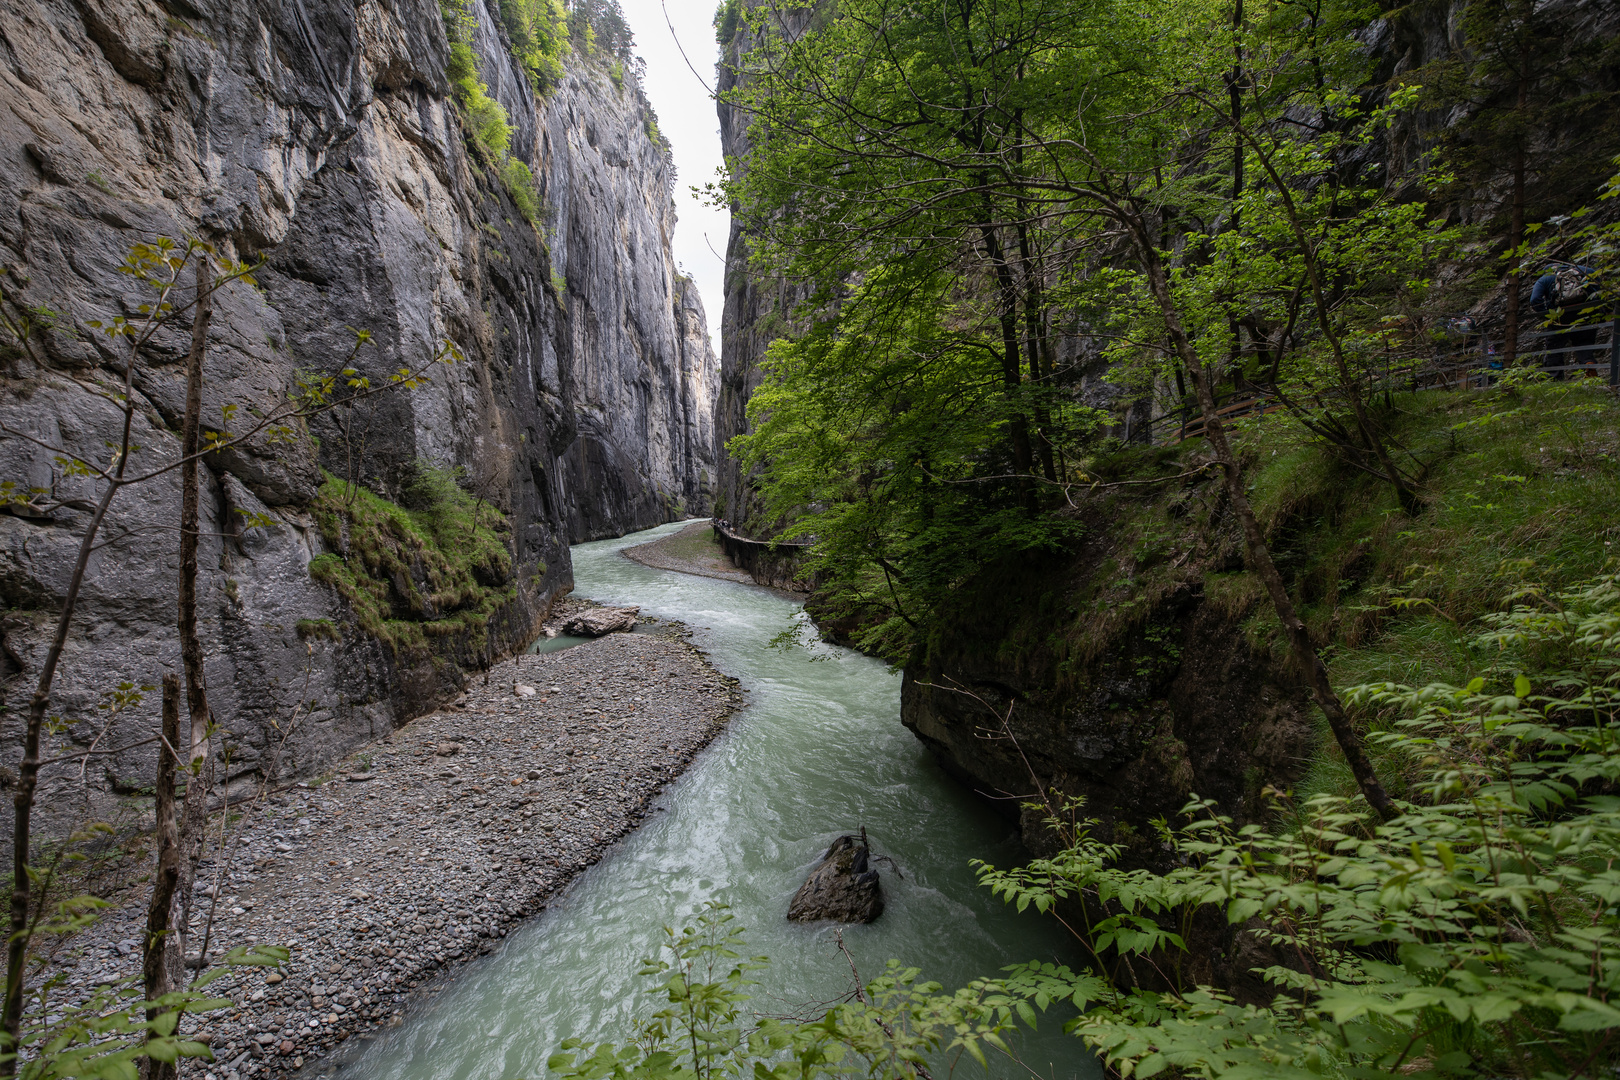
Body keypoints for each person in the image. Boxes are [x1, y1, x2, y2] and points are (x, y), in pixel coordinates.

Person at [1529, 264, 1600, 379]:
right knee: (1584, 343)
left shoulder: (1545, 279)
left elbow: (1535, 300)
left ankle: (1555, 377)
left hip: (1559, 316)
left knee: (1555, 347)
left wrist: (1549, 316)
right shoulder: (1586, 270)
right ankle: (1588, 364)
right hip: (1585, 313)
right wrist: (1599, 310)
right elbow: (1598, 292)